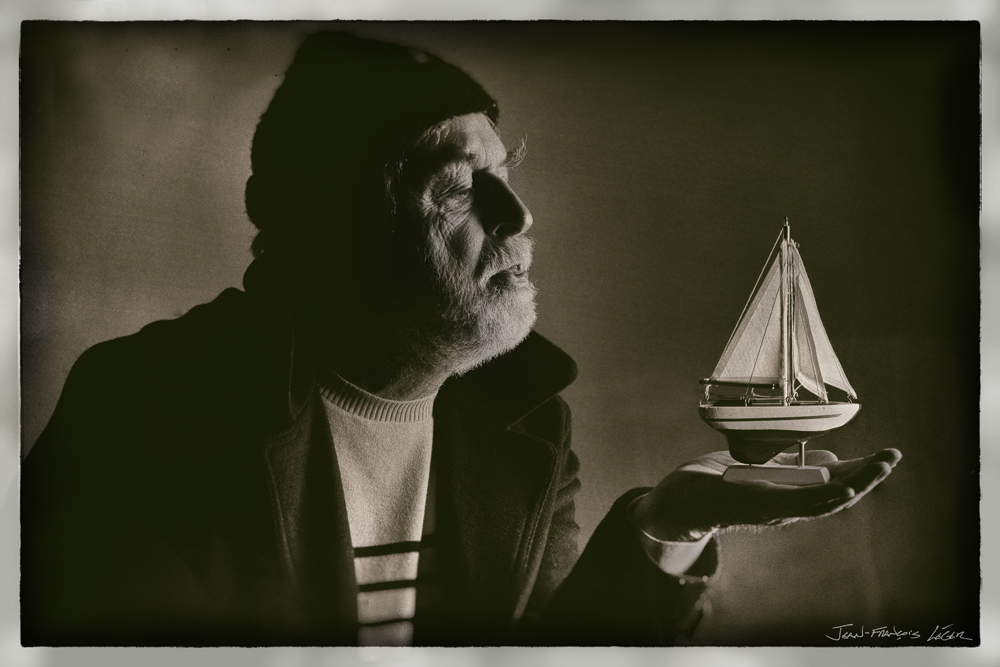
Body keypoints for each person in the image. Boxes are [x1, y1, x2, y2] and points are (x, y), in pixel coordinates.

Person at [20, 31, 900, 647]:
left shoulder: (525, 428)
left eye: (506, 174)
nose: (519, 216)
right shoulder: (145, 406)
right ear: (333, 224)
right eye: (455, 186)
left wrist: (669, 523)